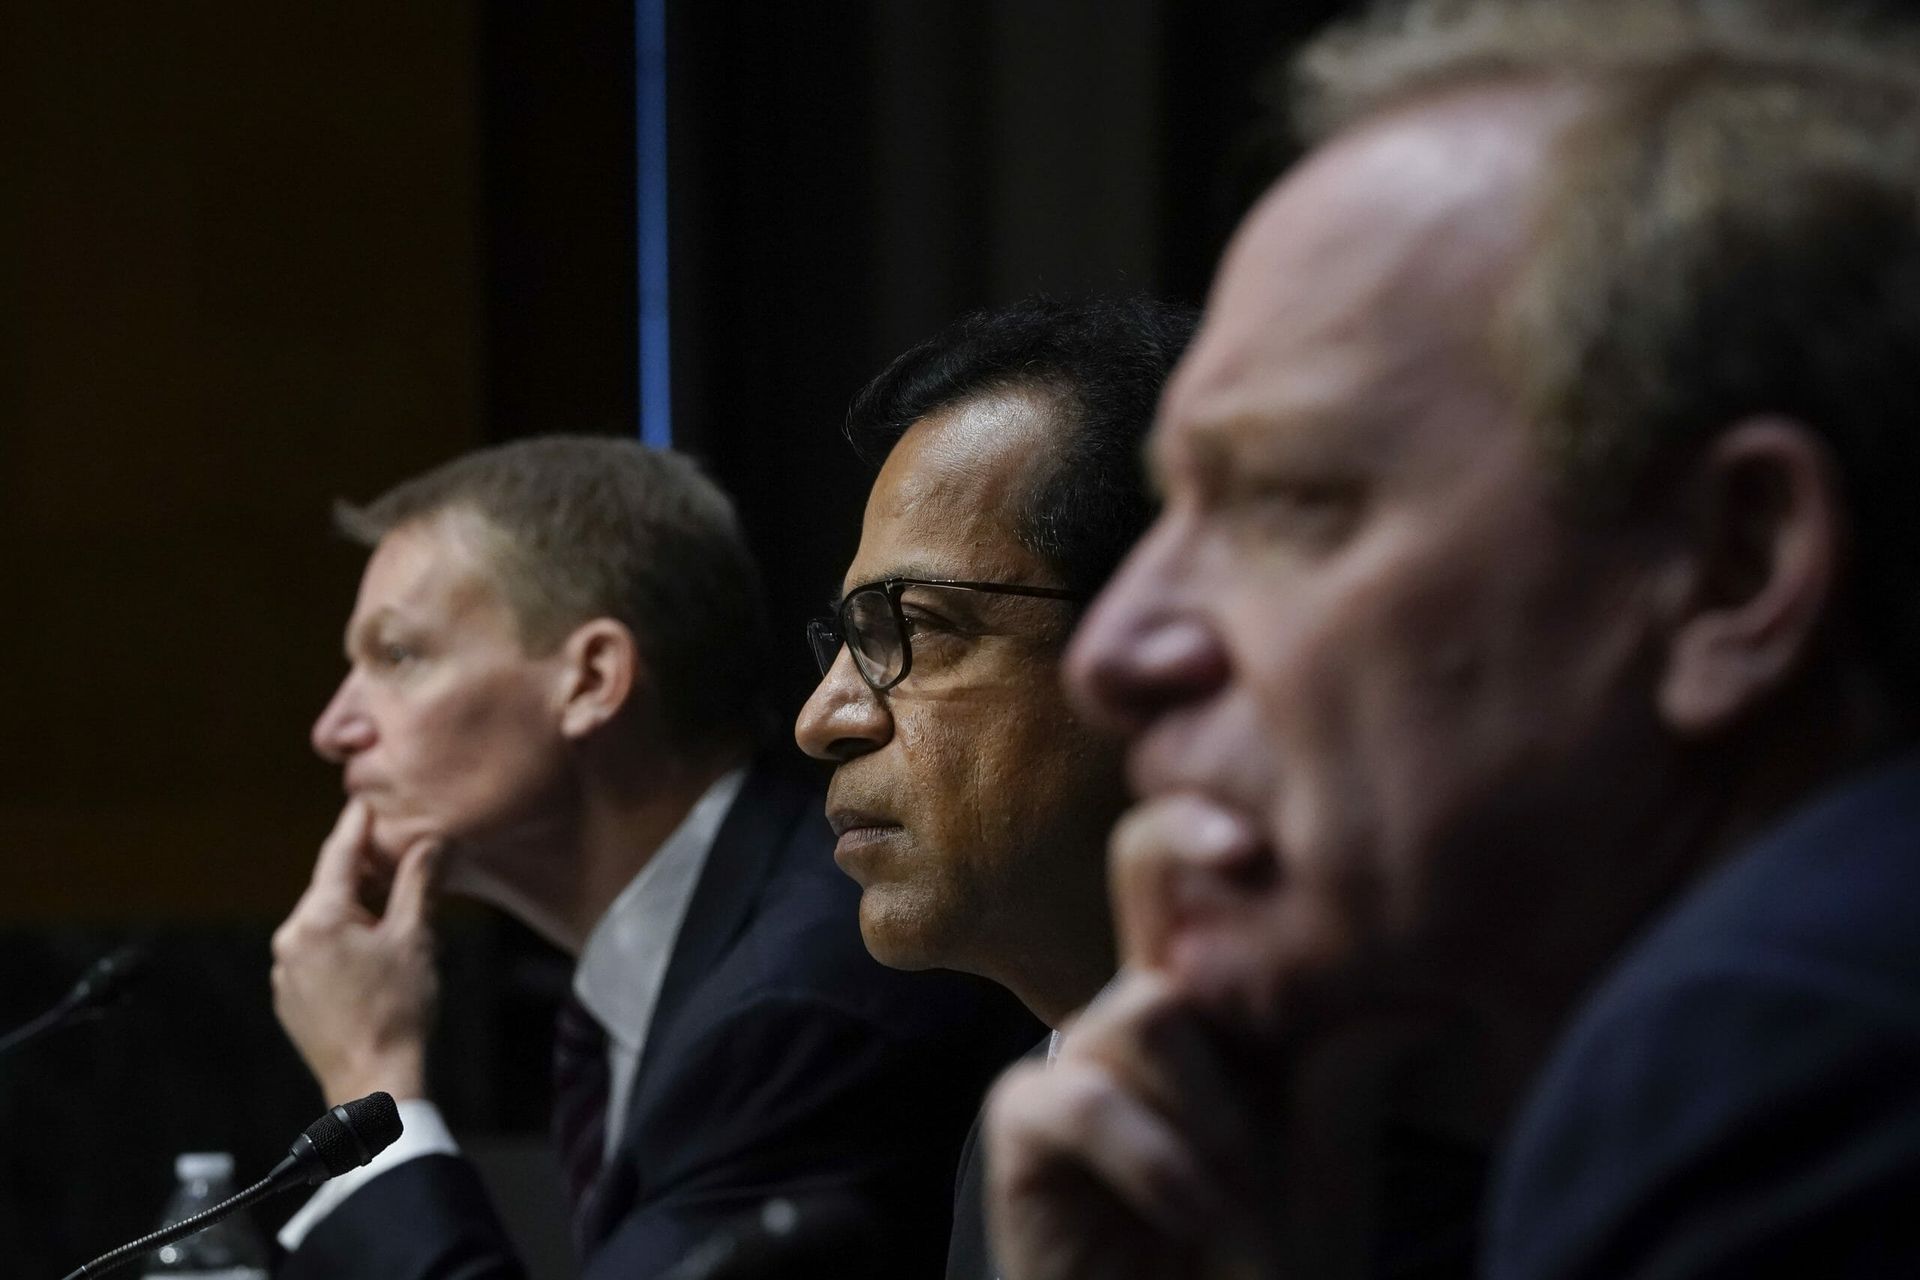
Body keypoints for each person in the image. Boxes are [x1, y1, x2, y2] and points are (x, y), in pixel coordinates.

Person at [984, 2, 1920, 1277]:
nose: (1116, 654)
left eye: (1290, 503)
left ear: (1733, 566)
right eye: (1173, 508)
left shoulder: (1772, 1048)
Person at [269, 436, 1037, 1279]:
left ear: (593, 679)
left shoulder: (794, 1005)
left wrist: (369, 1073)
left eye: (396, 655)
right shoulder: (700, 965)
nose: (333, 727)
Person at [794, 296, 1196, 1278]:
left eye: (913, 626)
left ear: (1165, 655)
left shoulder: (1389, 1131)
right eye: (846, 640)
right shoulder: (1026, 1113)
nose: (824, 716)